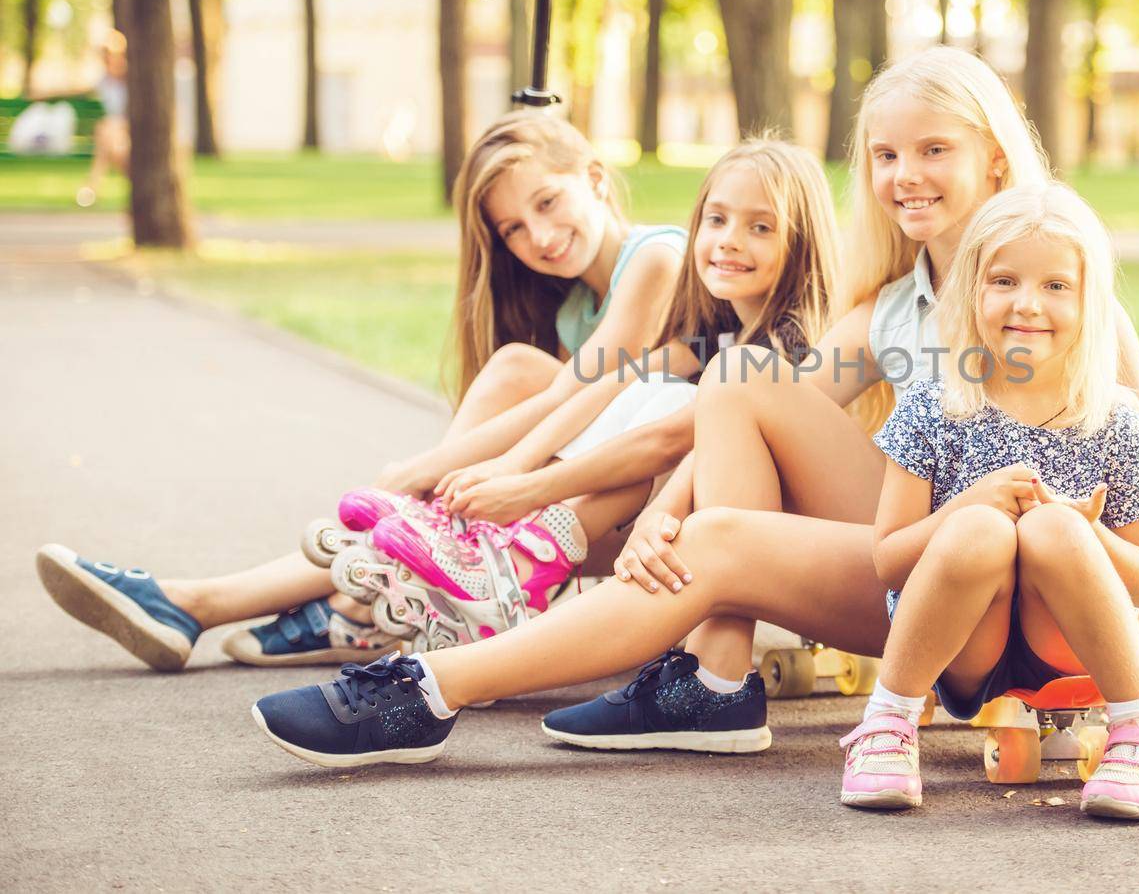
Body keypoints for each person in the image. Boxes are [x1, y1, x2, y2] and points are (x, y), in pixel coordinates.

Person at [247, 46, 1139, 768]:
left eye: (935, 150)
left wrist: (1097, 608)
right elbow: (741, 413)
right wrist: (663, 511)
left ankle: (428, 694)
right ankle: (714, 676)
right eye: (886, 153)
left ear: (995, 159)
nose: (905, 173)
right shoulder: (892, 306)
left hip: (1026, 611)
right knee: (738, 380)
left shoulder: (1050, 289)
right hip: (926, 577)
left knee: (719, 541)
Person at [36, 110, 685, 670]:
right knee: (514, 373)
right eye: (512, 228)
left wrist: (423, 470)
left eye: (546, 202)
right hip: (605, 501)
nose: (537, 237)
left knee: (517, 378)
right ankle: (335, 594)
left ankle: (251, 601)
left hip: (661, 515)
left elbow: (571, 402)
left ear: (595, 178)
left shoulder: (656, 258)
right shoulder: (577, 306)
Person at [320, 137, 841, 654]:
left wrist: (527, 490)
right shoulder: (714, 329)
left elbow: (663, 441)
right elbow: (612, 384)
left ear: (800, 241)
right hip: (699, 515)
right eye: (717, 220)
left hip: (791, 543)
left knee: (660, 408)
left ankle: (516, 574)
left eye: (761, 227)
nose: (729, 240)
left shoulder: (791, 347)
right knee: (644, 388)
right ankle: (471, 553)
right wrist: (509, 466)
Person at [838, 184, 1139, 821]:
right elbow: (888, 561)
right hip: (964, 648)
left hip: (1066, 645)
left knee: (1054, 529)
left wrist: (1088, 532)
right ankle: (887, 724)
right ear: (973, 289)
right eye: (1005, 281)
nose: (1028, 304)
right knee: (979, 531)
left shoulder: (1113, 420)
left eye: (1056, 286)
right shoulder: (933, 404)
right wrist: (964, 507)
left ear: (1091, 303)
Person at [81, 31, 129, 207]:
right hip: (114, 133)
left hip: (128, 128)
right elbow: (82, 89)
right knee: (106, 136)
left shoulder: (129, 78)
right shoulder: (104, 80)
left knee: (106, 132)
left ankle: (92, 187)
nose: (107, 59)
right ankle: (93, 187)